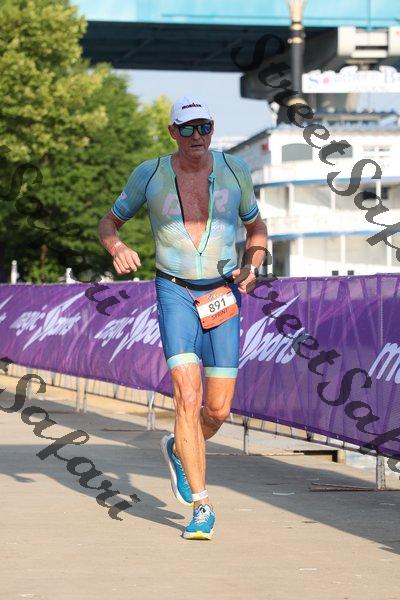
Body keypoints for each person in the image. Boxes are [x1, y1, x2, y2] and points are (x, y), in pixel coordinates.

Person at [98, 95, 268, 540]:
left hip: (221, 294)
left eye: (203, 127)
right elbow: (108, 223)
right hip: (173, 290)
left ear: (212, 128)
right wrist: (117, 247)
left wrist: (253, 263)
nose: (197, 136)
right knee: (186, 397)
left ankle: (178, 447)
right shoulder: (149, 173)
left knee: (218, 409)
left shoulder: (236, 170)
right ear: (173, 132)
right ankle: (201, 504)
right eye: (187, 128)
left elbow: (256, 227)